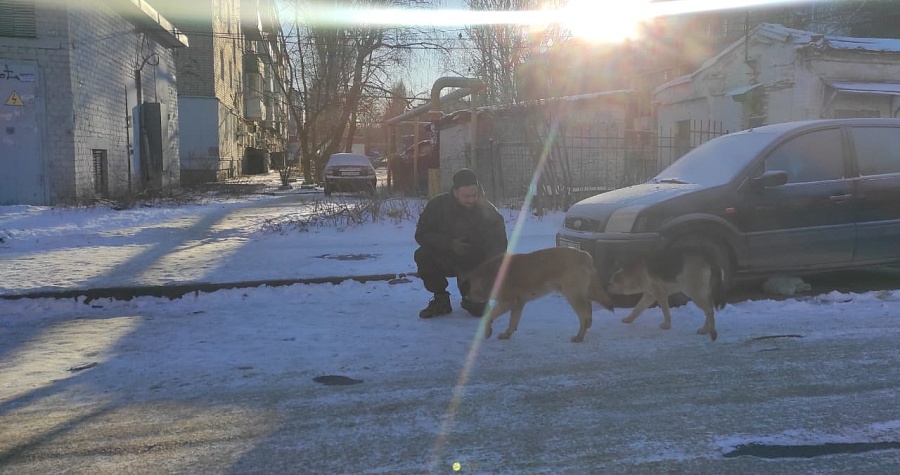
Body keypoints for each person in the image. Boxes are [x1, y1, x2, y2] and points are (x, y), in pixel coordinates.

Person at [414, 168, 508, 318]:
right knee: (423, 255)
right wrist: (449, 244)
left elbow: (498, 247)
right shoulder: (437, 206)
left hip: (475, 264)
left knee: (479, 311)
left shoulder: (490, 213)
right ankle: (441, 299)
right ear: (455, 192)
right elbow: (422, 235)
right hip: (446, 257)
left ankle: (472, 298)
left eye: (474, 195)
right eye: (466, 196)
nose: (471, 199)